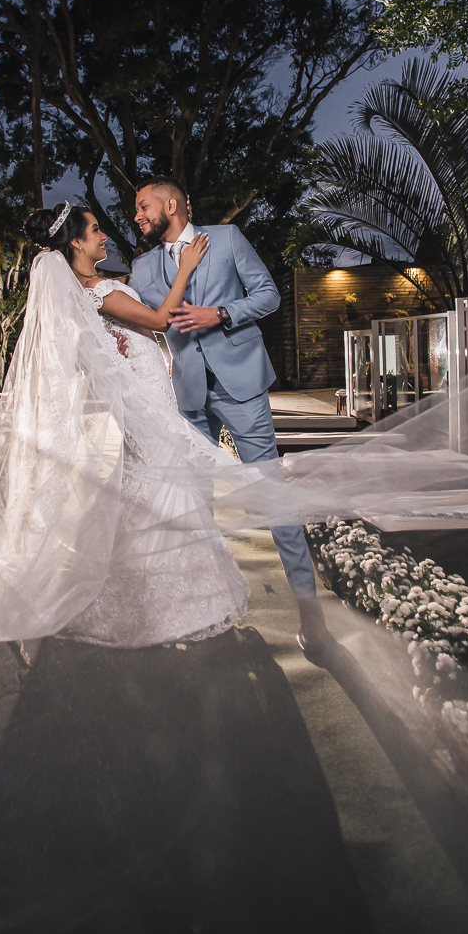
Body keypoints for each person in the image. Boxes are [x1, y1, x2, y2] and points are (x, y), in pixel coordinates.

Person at [20, 201, 250, 648]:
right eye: (96, 230)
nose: (104, 236)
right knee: (162, 485)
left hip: (143, 393)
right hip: (144, 398)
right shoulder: (98, 290)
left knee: (148, 488)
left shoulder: (86, 290)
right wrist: (185, 266)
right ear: (76, 243)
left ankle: (150, 597)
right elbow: (162, 320)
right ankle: (165, 607)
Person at [129, 176, 329, 654]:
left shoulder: (226, 239)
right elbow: (148, 320)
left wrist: (218, 313)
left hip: (242, 385)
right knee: (197, 506)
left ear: (171, 203)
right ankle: (208, 613)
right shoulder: (140, 267)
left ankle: (311, 613)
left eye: (142, 206)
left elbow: (268, 296)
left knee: (274, 496)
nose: (136, 216)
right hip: (188, 396)